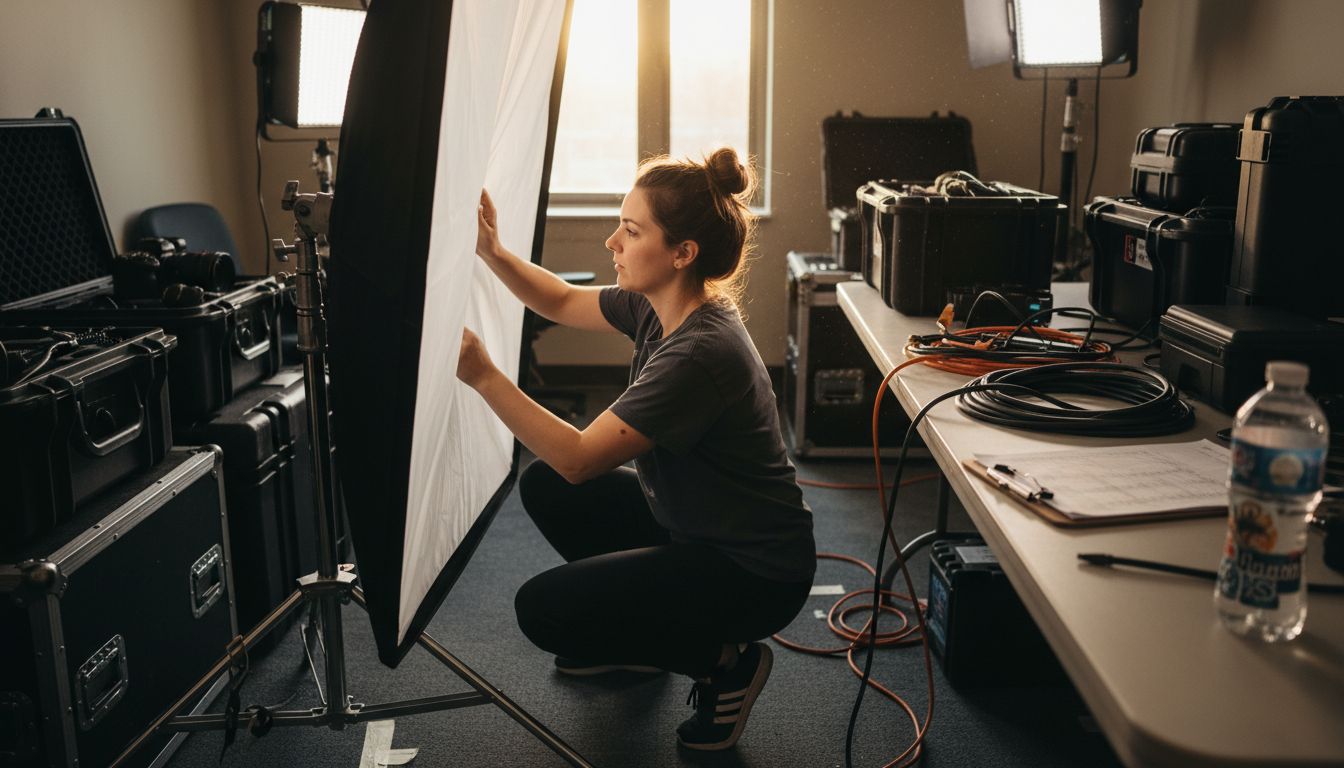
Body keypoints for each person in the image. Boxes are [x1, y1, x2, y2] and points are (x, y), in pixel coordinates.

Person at [455, 147, 815, 751]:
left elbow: (579, 456)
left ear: (682, 254)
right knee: (541, 485)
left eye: (630, 229)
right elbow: (560, 301)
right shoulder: (659, 304)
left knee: (543, 610)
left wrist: (486, 375)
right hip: (695, 529)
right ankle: (648, 641)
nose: (611, 242)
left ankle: (726, 662)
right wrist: (493, 252)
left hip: (754, 573)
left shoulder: (699, 351)